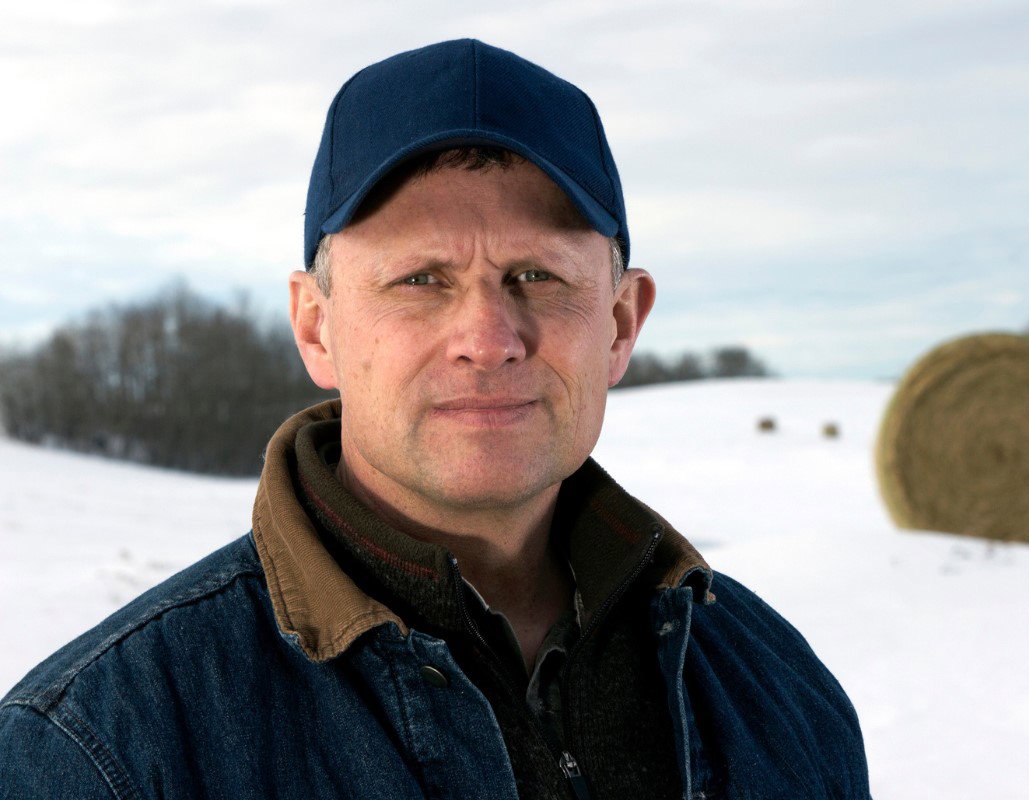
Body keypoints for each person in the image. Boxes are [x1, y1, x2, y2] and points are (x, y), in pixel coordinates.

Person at [0, 39, 870, 799]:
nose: (489, 339)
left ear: (619, 323)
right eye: (421, 280)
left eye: (537, 276)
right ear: (317, 327)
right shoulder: (96, 752)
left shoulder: (778, 688)